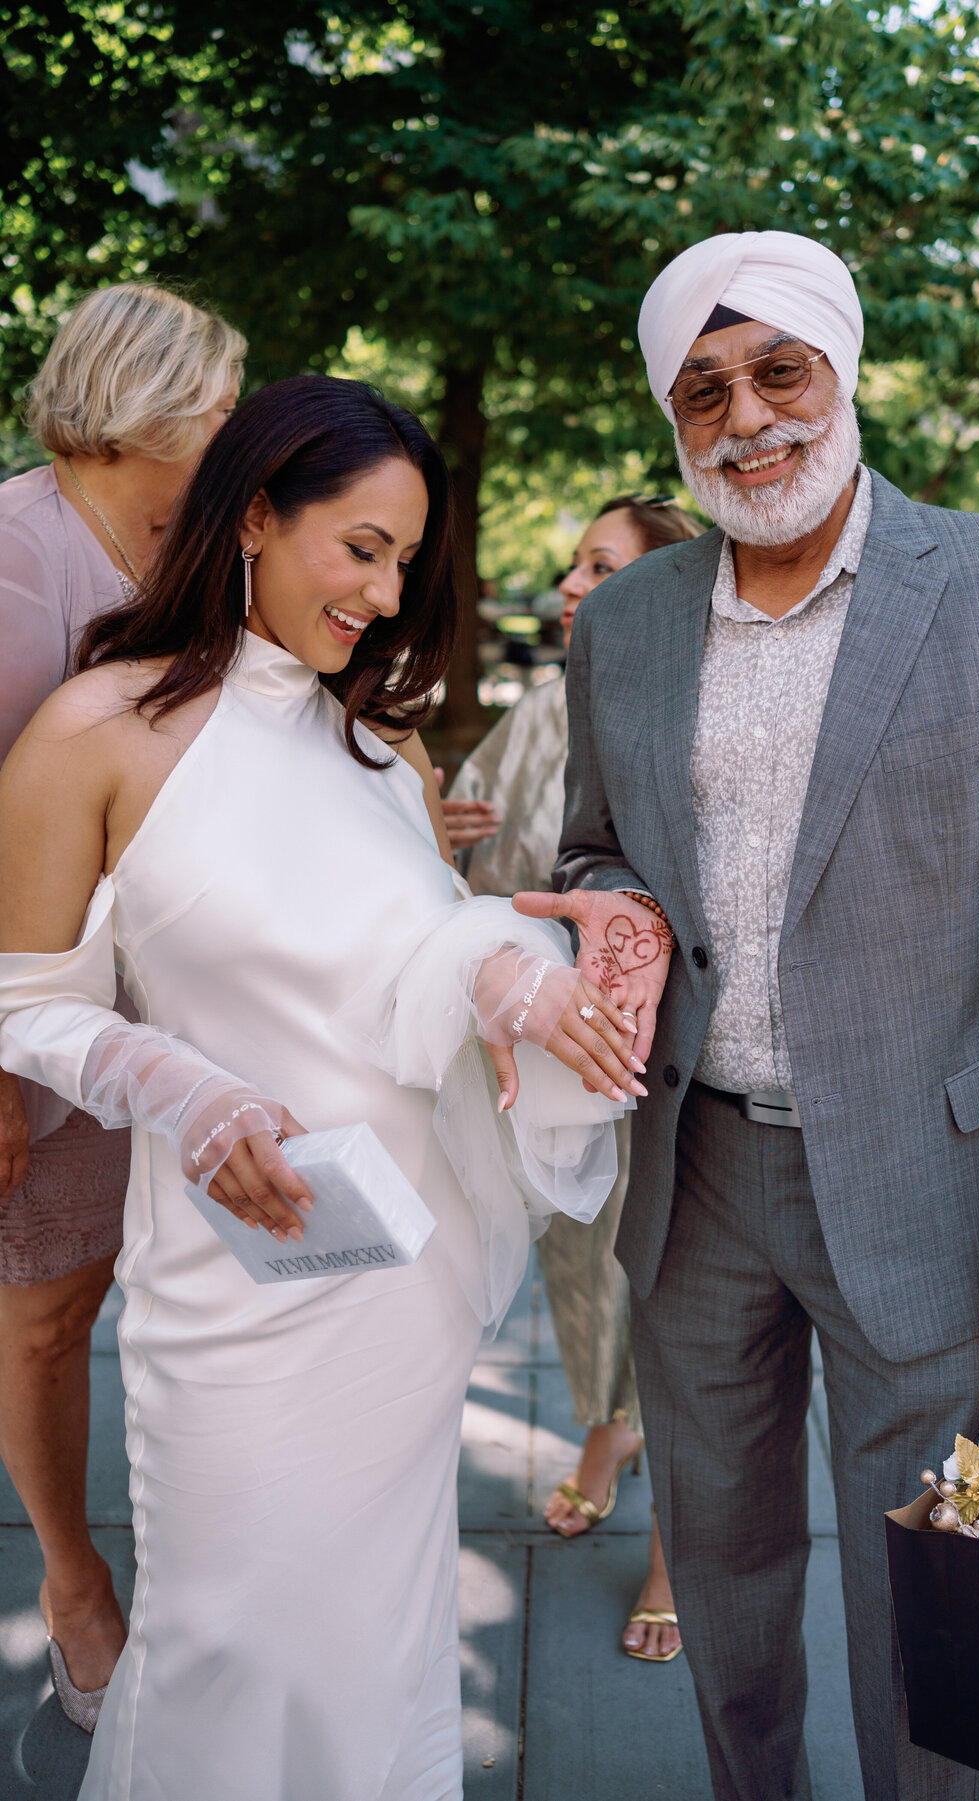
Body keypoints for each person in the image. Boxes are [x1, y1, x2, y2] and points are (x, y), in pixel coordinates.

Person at [516, 230, 979, 1801]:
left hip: (933, 1186)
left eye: (778, 371)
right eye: (705, 391)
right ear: (676, 424)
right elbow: (595, 842)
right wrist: (608, 904)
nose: (749, 420)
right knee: (723, 1577)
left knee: (930, 1598)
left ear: (842, 371)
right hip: (699, 1170)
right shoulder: (627, 621)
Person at [0, 374, 646, 1800]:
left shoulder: (374, 746)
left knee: (380, 1642)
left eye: (406, 560)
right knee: (233, 1643)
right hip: (238, 1289)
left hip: (400, 1283)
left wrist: (521, 968)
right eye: (360, 546)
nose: (383, 589)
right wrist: (187, 1092)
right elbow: (23, 1000)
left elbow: (423, 948)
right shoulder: (93, 731)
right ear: (248, 514)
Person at [0, 282, 244, 1725]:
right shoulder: (10, 553)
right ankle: (75, 1581)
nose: (229, 434)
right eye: (216, 409)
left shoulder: (188, 551)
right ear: (144, 405)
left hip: (172, 1009)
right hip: (32, 1010)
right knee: (45, 1309)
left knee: (156, 1288)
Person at [449, 496, 701, 1664]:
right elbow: (483, 868)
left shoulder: (691, 711)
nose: (569, 582)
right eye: (572, 562)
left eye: (602, 565)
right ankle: (606, 1438)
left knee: (681, 1302)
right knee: (581, 1274)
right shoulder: (539, 710)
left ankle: (672, 1557)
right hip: (551, 1065)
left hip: (672, 1070)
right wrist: (436, 829)